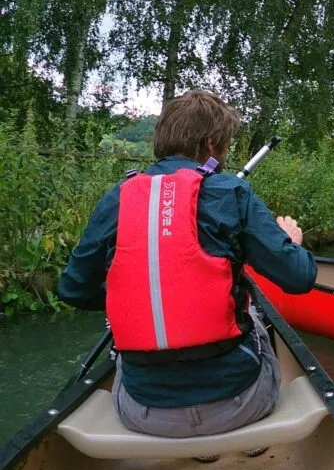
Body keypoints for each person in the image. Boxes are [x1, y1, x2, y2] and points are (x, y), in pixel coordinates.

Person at [58, 90, 318, 444]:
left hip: (142, 413)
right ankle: (250, 441)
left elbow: (73, 289)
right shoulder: (232, 192)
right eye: (225, 145)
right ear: (211, 145)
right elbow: (299, 278)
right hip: (240, 405)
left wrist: (134, 294)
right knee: (254, 308)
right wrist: (291, 242)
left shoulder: (118, 196)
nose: (225, 154)